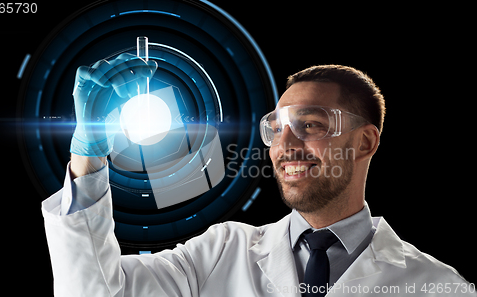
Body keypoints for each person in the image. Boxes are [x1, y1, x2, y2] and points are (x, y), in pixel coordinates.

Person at [42, 61, 474, 296]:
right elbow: (93, 292)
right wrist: (89, 152)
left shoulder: (439, 288)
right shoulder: (218, 253)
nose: (285, 146)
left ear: (365, 143)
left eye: (311, 125)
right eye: (276, 128)